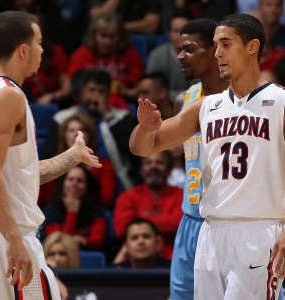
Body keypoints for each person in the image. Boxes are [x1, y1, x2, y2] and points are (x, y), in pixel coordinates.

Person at [129, 13, 285, 299]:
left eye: (226, 44)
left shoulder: (280, 100)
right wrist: (144, 127)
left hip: (258, 231)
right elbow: (143, 147)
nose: (218, 53)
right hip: (211, 232)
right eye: (215, 46)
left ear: (252, 47)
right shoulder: (205, 106)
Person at [0, 10, 101, 299]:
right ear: (23, 50)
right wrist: (13, 240)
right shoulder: (8, 96)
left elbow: (17, 172)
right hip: (3, 235)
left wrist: (72, 156)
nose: (42, 50)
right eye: (39, 42)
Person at [172, 18, 229, 299]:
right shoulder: (184, 100)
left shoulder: (248, 99)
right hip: (190, 219)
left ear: (214, 50)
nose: (180, 56)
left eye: (189, 49)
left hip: (230, 223)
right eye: (178, 49)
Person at [114, 151, 183, 260]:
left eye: (159, 162)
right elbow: (122, 228)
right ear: (141, 170)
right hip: (134, 259)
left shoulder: (182, 195)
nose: (153, 166)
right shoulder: (127, 196)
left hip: (174, 257)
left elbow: (180, 224)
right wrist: (165, 222)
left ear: (169, 169)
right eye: (148, 162)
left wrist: (139, 220)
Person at [42, 164, 107, 250]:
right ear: (63, 184)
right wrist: (72, 211)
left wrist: (82, 240)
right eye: (70, 179)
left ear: (87, 186)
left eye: (80, 181)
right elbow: (60, 244)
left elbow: (97, 240)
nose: (74, 184)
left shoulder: (97, 208)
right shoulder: (51, 210)